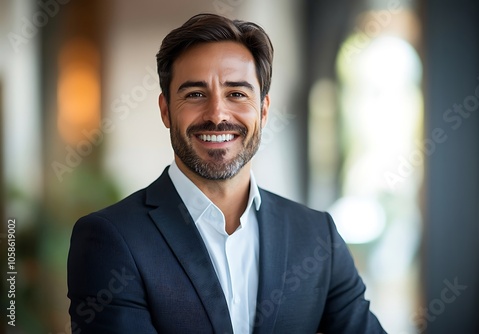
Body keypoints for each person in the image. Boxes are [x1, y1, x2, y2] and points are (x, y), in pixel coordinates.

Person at [67, 13, 386, 334]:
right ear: (165, 110)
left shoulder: (319, 237)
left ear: (263, 110)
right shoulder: (110, 239)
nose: (217, 114)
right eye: (194, 94)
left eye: (236, 93)